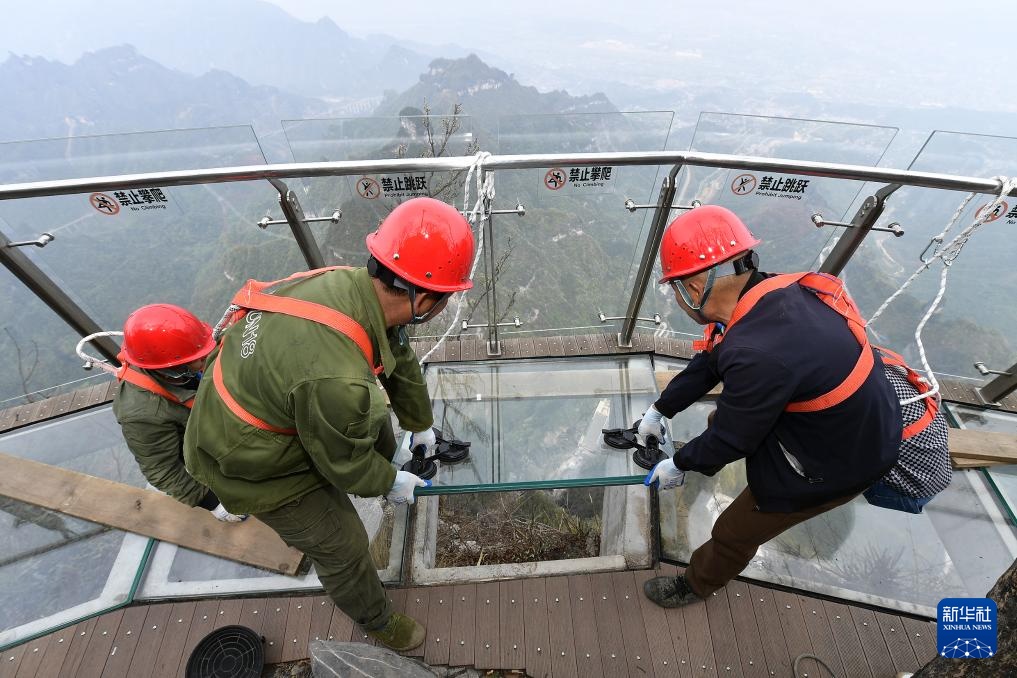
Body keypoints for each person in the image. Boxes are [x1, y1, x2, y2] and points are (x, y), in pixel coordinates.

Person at [183, 196, 475, 652]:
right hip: (250, 462)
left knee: (370, 426)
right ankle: (376, 619)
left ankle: (384, 479)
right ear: (426, 298)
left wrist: (420, 425)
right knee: (341, 546)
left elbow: (396, 354)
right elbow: (343, 463)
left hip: (268, 405)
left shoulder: (349, 289)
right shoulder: (338, 382)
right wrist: (385, 478)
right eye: (449, 295)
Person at [640, 205, 902, 608]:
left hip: (838, 461)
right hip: (854, 421)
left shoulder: (756, 352)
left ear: (695, 286)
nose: (675, 295)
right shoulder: (774, 292)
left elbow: (732, 438)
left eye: (674, 286)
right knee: (718, 420)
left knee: (734, 531)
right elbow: (712, 360)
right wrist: (660, 410)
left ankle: (696, 584)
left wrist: (680, 464)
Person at [112, 304, 245, 522]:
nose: (205, 359)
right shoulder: (142, 413)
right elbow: (162, 469)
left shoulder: (189, 349)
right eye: (200, 360)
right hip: (212, 455)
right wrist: (213, 503)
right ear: (173, 367)